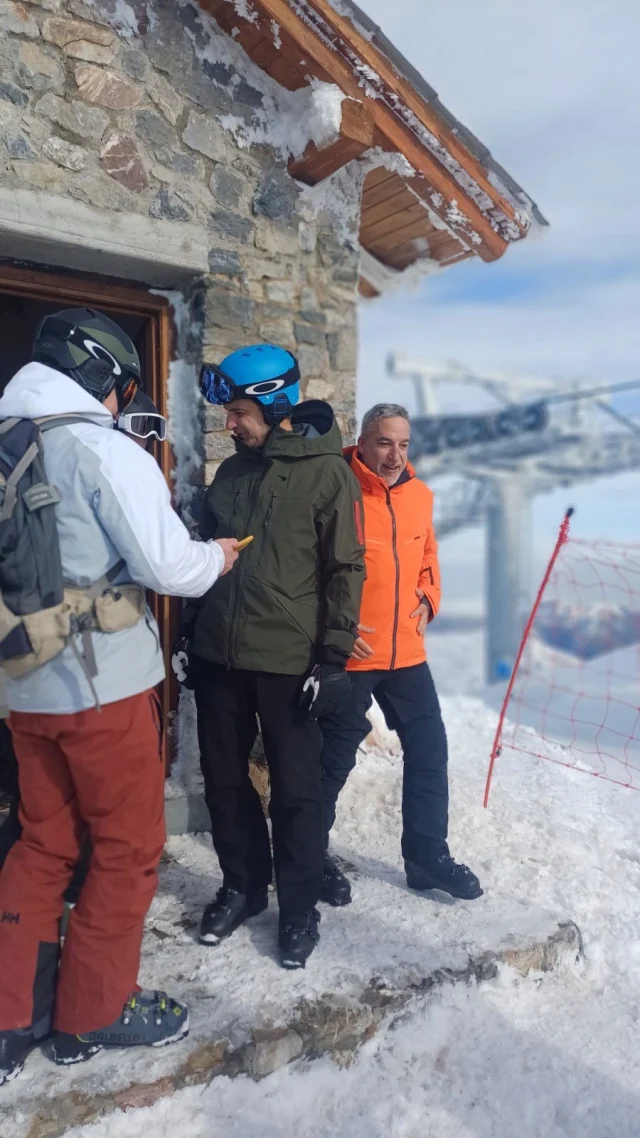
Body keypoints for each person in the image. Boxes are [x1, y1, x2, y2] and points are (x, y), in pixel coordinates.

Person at [0, 308, 238, 1085]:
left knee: (42, 843)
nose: (121, 401)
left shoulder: (9, 440)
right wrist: (218, 557)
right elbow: (170, 568)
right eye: (123, 387)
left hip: (24, 684)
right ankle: (94, 1010)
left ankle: (12, 1016)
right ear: (100, 374)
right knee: (127, 847)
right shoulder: (102, 450)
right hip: (101, 688)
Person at [181, 344, 365, 969]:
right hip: (219, 654)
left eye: (238, 412)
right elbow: (207, 555)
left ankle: (299, 907)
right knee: (225, 780)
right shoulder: (233, 472)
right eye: (228, 412)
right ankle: (243, 886)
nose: (229, 423)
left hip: (289, 660)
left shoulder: (328, 473)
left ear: (275, 404)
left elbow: (346, 567)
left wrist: (333, 657)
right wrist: (190, 631)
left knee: (296, 791)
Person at [319, 403, 482, 906]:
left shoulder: (419, 496)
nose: (395, 455)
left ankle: (426, 857)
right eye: (385, 443)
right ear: (363, 441)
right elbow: (309, 565)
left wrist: (429, 598)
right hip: (354, 652)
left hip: (406, 651)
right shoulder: (337, 488)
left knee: (430, 748)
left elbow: (427, 555)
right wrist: (335, 626)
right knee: (332, 758)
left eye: (404, 445)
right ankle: (308, 855)